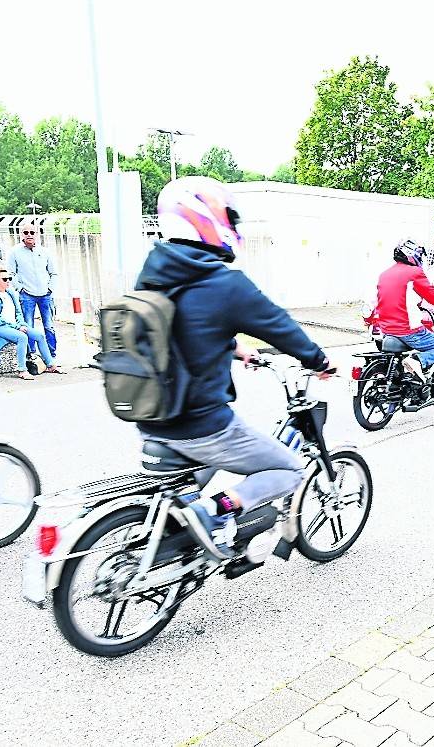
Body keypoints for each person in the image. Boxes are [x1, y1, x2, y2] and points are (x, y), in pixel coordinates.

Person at [135, 177, 334, 560]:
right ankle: (213, 513)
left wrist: (233, 346)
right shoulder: (225, 284)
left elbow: (182, 328)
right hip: (201, 425)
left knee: (193, 482)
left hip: (151, 416)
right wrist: (320, 361)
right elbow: (281, 329)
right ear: (210, 219)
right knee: (290, 470)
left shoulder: (155, 274)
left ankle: (187, 542)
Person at [374, 239, 434, 383]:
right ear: (411, 254)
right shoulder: (414, 272)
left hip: (386, 330)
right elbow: (433, 294)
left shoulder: (384, 274)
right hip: (407, 330)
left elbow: (393, 298)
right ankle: (417, 360)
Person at [0, 267, 64, 379]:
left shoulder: (10, 293)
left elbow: (18, 312)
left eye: (9, 278)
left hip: (15, 325)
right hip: (0, 327)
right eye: (5, 279)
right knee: (22, 337)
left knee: (39, 336)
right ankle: (22, 370)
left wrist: (21, 324)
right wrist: (17, 327)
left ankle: (50, 365)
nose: (8, 281)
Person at [8, 221, 58, 359]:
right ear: (21, 235)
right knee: (28, 326)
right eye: (26, 232)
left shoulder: (45, 252)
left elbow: (54, 273)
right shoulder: (14, 252)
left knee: (49, 326)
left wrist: (50, 289)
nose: (29, 235)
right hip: (27, 295)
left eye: (32, 232)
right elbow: (11, 274)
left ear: (37, 234)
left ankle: (51, 355)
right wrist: (20, 289)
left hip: (45, 295)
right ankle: (32, 355)